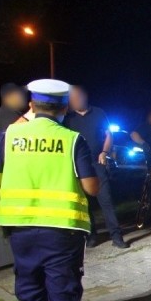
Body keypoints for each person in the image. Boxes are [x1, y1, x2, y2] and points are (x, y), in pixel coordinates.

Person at [0, 79, 99, 301]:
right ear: (63, 108)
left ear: (32, 106)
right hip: (62, 231)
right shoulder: (73, 139)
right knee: (62, 300)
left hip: (19, 230)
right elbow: (91, 188)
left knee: (30, 295)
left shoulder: (10, 136)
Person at [64, 86, 129, 248]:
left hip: (97, 163)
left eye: (78, 96)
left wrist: (104, 152)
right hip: (78, 166)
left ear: (85, 97)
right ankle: (91, 235)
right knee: (85, 203)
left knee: (106, 200)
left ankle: (116, 236)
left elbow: (108, 135)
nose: (76, 100)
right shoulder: (67, 118)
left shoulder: (98, 112)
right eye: (72, 97)